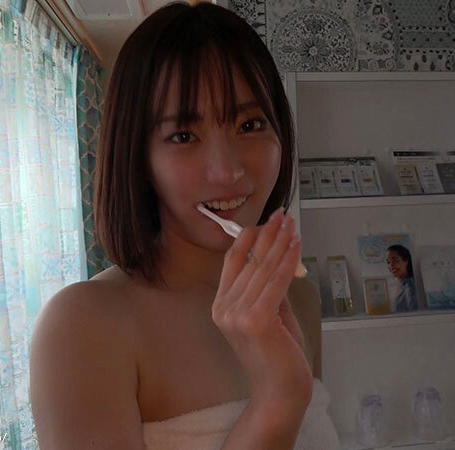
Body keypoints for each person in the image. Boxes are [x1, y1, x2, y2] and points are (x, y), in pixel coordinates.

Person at [28, 2, 340, 449]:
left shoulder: (300, 298)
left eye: (250, 124)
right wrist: (278, 402)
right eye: (183, 136)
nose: (227, 170)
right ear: (139, 158)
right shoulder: (82, 327)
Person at [386, 244, 417, 312]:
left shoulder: (412, 288)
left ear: (406, 261)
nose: (391, 265)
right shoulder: (392, 285)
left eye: (395, 260)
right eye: (388, 262)